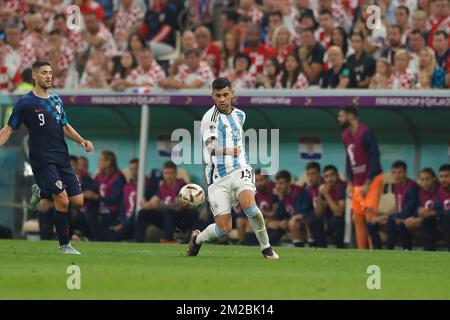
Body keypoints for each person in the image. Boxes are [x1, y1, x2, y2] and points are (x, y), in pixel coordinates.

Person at [0, 60, 94, 254]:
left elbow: (65, 126)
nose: (49, 76)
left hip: (62, 157)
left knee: (78, 201)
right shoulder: (25, 102)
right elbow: (9, 129)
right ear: (35, 76)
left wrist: (82, 141)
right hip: (42, 158)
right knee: (63, 200)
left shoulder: (56, 100)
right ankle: (64, 245)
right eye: (44, 73)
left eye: (50, 72)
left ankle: (41, 191)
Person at [187, 77, 279, 259]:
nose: (222, 99)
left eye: (225, 95)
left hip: (240, 168)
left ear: (232, 94)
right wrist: (229, 150)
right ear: (212, 96)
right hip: (218, 178)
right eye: (218, 95)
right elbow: (211, 148)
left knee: (249, 205)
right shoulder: (209, 119)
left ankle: (266, 247)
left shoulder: (240, 115)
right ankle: (197, 239)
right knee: (224, 229)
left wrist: (236, 154)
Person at [338, 106, 383, 250]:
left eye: (341, 116)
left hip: (373, 179)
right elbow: (349, 160)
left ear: (351, 116)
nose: (339, 119)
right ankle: (362, 252)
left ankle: (375, 251)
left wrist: (368, 183)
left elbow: (375, 158)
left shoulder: (365, 133)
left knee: (370, 216)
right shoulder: (345, 135)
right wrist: (350, 184)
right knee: (357, 218)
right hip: (357, 182)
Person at [136, 161, 196, 243]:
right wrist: (146, 205)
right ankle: (138, 241)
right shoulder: (163, 186)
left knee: (169, 212)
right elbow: (153, 201)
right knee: (142, 213)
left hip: (181, 220)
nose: (168, 176)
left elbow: (177, 206)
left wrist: (157, 206)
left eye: (171, 173)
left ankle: (168, 240)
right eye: (166, 173)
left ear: (176, 173)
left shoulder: (181, 185)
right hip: (167, 220)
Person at [84, 151, 126, 241]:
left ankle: (94, 241)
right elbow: (92, 189)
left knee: (101, 221)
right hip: (99, 211)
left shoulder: (118, 178)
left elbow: (115, 199)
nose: (98, 162)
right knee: (86, 216)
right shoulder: (99, 177)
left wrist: (97, 197)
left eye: (101, 160)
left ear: (108, 162)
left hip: (114, 212)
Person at [384, 161, 420, 250]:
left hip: (413, 216)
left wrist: (394, 216)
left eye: (400, 172)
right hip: (403, 215)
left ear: (405, 173)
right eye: (394, 172)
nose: (397, 175)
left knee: (393, 221)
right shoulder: (397, 186)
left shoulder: (411, 187)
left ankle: (395, 250)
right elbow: (399, 206)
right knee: (373, 223)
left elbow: (410, 209)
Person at [316, 165, 347, 248]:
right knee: (314, 220)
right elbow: (318, 214)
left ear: (338, 176)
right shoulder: (325, 188)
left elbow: (339, 212)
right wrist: (320, 194)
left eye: (332, 175)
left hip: (345, 219)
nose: (329, 179)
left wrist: (326, 194)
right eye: (326, 176)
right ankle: (321, 250)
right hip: (330, 219)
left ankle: (340, 249)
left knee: (336, 220)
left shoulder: (344, 187)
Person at [437, 164, 450, 251]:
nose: (443, 179)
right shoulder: (440, 190)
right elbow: (437, 207)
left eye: (446, 176)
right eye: (441, 176)